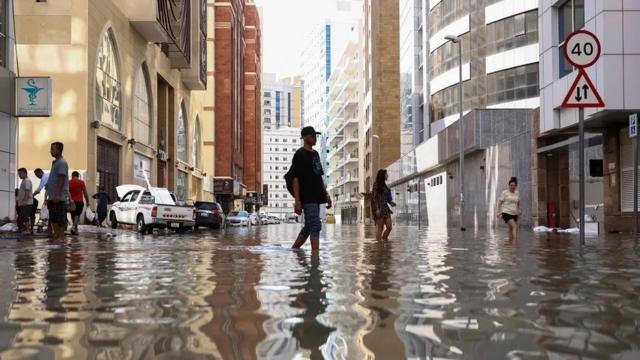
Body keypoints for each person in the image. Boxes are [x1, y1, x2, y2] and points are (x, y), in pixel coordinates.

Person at [290, 126, 332, 252]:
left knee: (309, 226)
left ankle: (295, 250)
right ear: (305, 137)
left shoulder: (316, 154)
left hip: (317, 195)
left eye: (316, 136)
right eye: (313, 136)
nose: (315, 139)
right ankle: (315, 257)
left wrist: (326, 195)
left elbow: (319, 176)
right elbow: (295, 178)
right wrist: (297, 201)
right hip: (307, 196)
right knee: (315, 224)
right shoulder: (299, 154)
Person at [46, 142, 70, 242]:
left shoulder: (62, 163)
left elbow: (61, 179)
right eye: (51, 149)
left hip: (58, 197)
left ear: (59, 150)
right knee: (53, 218)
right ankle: (57, 235)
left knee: (60, 218)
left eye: (53, 149)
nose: (50, 151)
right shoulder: (55, 163)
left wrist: (57, 194)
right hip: (52, 196)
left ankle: (61, 237)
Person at [371, 169, 396, 241]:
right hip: (379, 209)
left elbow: (387, 199)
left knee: (389, 227)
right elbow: (374, 197)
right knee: (380, 228)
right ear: (383, 175)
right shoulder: (376, 184)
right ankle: (379, 246)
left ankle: (385, 240)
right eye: (386, 174)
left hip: (385, 209)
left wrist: (391, 203)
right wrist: (377, 209)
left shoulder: (385, 186)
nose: (387, 175)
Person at [496, 177, 522, 241]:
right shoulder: (505, 192)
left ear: (516, 186)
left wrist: (519, 209)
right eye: (511, 185)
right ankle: (515, 242)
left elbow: (518, 202)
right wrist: (498, 212)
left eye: (514, 185)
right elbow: (499, 203)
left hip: (514, 213)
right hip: (506, 212)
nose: (512, 187)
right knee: (515, 226)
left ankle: (510, 243)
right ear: (509, 185)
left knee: (511, 228)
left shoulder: (517, 193)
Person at [17, 168, 34, 234]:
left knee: (26, 216)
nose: (19, 175)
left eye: (20, 173)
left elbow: (27, 191)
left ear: (25, 173)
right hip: (23, 203)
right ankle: (26, 229)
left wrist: (25, 201)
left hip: (27, 203)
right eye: (19, 174)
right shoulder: (24, 180)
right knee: (23, 216)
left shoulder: (27, 181)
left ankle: (28, 230)